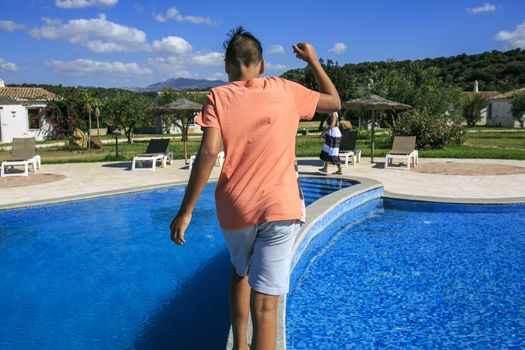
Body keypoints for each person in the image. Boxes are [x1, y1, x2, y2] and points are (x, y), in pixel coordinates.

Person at [169, 26, 340, 350]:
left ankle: (239, 345)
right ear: (261, 65)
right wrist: (313, 61)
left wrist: (185, 211)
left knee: (239, 270)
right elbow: (334, 101)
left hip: (237, 208)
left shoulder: (217, 97)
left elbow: (208, 153)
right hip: (280, 205)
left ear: (226, 66)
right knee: (266, 305)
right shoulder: (286, 89)